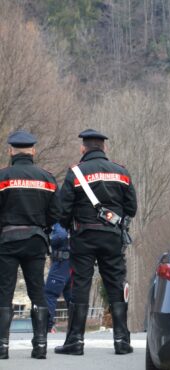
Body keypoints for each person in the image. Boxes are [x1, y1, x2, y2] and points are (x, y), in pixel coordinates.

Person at [55, 129, 137, 356]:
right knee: (116, 285)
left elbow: (63, 211)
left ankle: (75, 342)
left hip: (83, 237)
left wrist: (70, 224)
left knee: (80, 284)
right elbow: (132, 208)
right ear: (104, 148)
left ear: (83, 148)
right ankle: (121, 340)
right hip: (112, 237)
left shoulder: (76, 173)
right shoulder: (122, 172)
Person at [0, 130, 60, 360]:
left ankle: (2, 346)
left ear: (10, 151)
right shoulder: (46, 178)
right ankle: (41, 345)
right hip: (36, 241)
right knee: (37, 292)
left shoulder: (3, 177)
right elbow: (56, 213)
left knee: (4, 292)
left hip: (7, 240)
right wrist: (42, 227)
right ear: (33, 151)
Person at [44, 223, 71, 333]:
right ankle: (76, 329)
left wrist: (49, 238)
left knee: (50, 294)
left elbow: (60, 235)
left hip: (61, 263)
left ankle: (48, 326)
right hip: (75, 263)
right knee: (72, 297)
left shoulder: (58, 218)